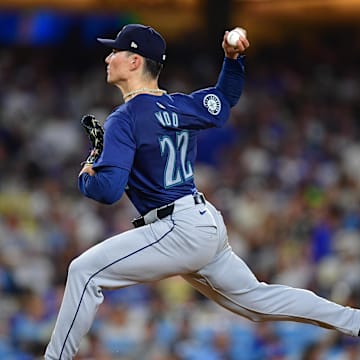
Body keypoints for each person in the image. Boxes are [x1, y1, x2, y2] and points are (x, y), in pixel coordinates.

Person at [44, 23, 360, 360]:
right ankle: (354, 321)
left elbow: (107, 191)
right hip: (202, 222)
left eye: (115, 51)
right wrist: (233, 60)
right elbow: (225, 98)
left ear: (135, 61)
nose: (108, 58)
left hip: (178, 229)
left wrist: (89, 168)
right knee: (257, 301)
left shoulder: (123, 119)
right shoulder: (180, 105)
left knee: (84, 271)